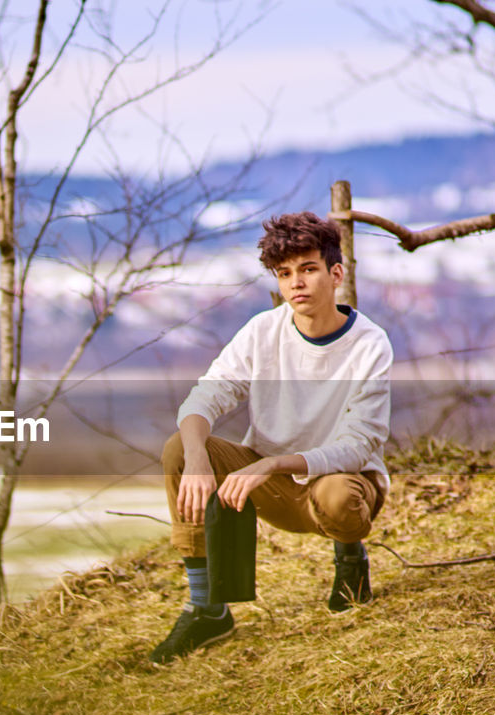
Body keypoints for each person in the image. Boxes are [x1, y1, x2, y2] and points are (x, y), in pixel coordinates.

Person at [151, 211, 392, 664]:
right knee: (181, 447)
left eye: (308, 269)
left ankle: (350, 557)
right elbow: (206, 396)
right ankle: (208, 609)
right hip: (269, 486)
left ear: (335, 273)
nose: (296, 283)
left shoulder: (369, 343)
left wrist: (272, 463)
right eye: (285, 274)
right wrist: (200, 459)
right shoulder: (263, 332)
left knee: (339, 496)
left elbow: (361, 443)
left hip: (340, 484)